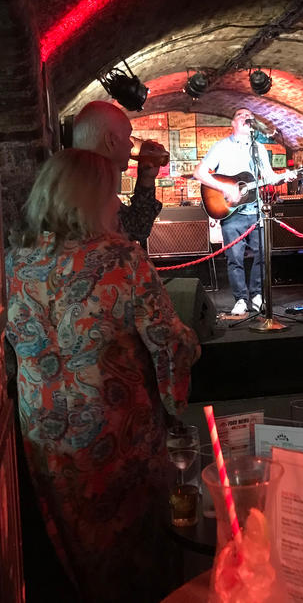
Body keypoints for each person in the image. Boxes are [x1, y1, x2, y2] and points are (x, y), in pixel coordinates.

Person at [6, 148, 201, 602]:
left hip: (43, 433)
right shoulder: (120, 259)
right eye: (112, 191)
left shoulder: (15, 262)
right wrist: (180, 383)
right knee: (133, 548)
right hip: (116, 432)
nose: (117, 200)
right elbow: (169, 343)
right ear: (88, 199)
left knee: (77, 547)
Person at [193, 107, 297, 315]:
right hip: (231, 212)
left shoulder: (259, 148)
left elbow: (267, 176)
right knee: (235, 258)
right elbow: (199, 173)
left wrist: (285, 176)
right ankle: (240, 299)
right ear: (233, 123)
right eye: (240, 115)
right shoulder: (221, 147)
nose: (246, 117)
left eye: (249, 115)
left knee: (263, 255)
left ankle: (257, 295)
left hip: (255, 211)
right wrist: (225, 188)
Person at [73, 100, 165, 247]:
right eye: (128, 136)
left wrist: (146, 178)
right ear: (111, 141)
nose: (131, 145)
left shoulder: (91, 183)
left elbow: (137, 228)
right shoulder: (88, 193)